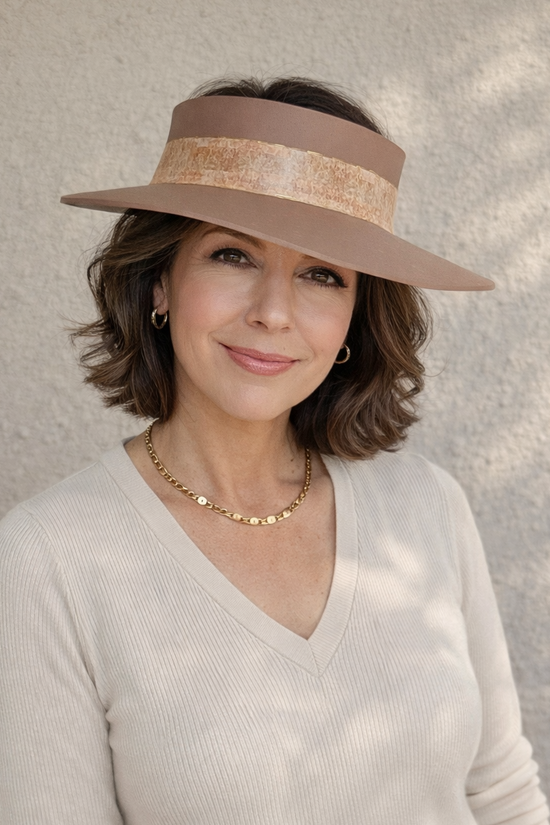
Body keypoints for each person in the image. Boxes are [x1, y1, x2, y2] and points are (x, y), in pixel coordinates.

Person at [0, 77, 547, 825]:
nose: (273, 312)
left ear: (357, 313)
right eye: (232, 255)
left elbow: (504, 797)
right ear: (160, 281)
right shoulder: (46, 559)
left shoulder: (425, 505)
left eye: (322, 273)